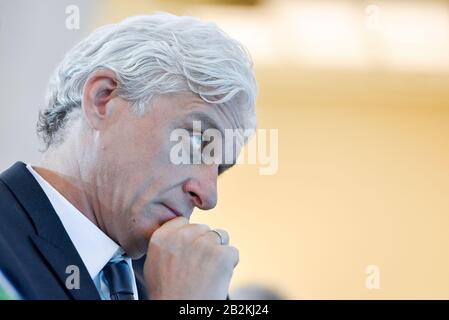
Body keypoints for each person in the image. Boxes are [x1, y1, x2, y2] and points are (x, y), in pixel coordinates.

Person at [0, 12, 257, 300]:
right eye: (197, 142)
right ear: (103, 98)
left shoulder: (180, 278)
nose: (209, 196)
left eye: (219, 167)